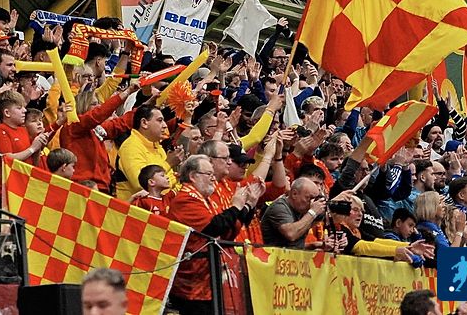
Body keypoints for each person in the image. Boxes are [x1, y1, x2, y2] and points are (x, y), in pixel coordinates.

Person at [167, 155, 261, 314]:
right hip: (192, 285)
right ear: (193, 176)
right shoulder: (185, 199)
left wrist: (248, 206)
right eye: (208, 174)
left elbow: (228, 229)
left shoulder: (206, 200)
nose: (213, 178)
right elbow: (214, 227)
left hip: (209, 280)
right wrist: (236, 206)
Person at [115, 105, 182, 200]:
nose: (165, 125)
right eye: (160, 120)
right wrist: (168, 163)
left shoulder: (156, 146)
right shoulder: (130, 147)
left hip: (162, 203)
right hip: (135, 206)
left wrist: (178, 179)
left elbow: (168, 181)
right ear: (144, 123)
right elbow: (142, 185)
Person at [261, 177, 326, 248]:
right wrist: (313, 212)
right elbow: (291, 234)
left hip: (293, 254)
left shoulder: (301, 209)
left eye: (314, 199)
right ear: (294, 194)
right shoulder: (279, 207)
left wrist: (315, 245)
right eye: (309, 198)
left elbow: (295, 245)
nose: (311, 203)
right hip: (274, 254)